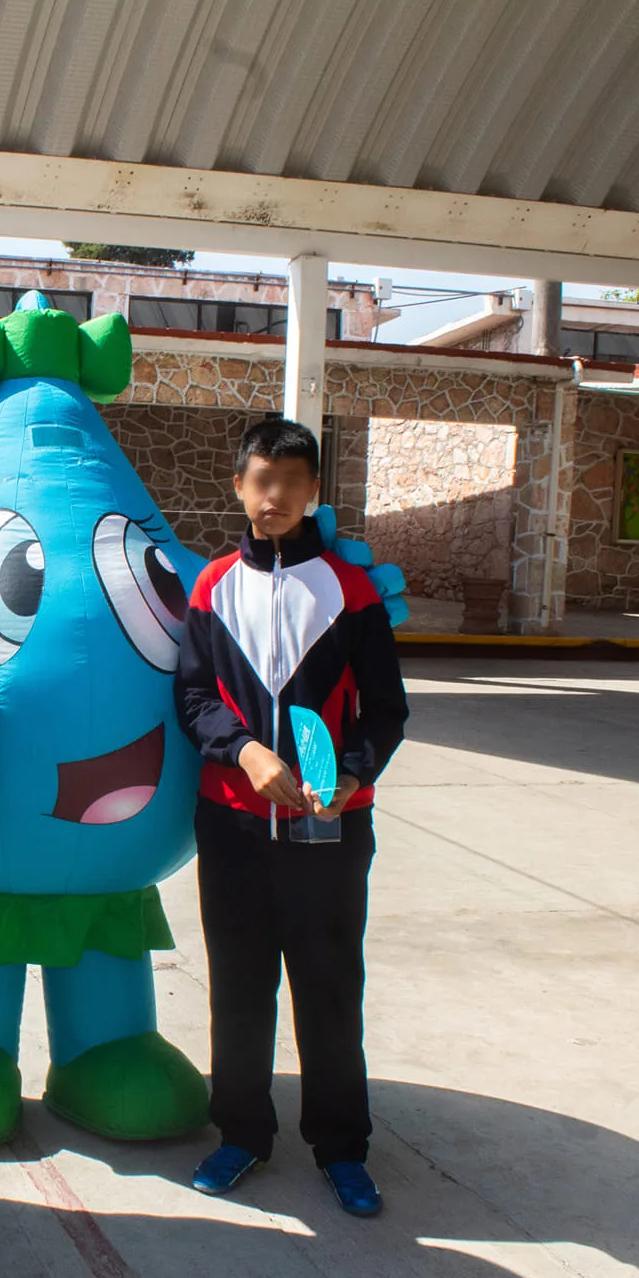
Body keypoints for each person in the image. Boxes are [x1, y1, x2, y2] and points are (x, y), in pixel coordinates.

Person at [174, 415, 408, 1217]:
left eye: (290, 482)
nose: (272, 496)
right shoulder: (211, 587)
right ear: (238, 486)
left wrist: (350, 773)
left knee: (330, 988)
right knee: (239, 988)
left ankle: (342, 1147)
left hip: (330, 831)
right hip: (233, 825)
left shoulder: (351, 589)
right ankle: (241, 1133)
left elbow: (387, 711)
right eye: (259, 479)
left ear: (313, 492)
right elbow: (194, 697)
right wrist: (243, 751)